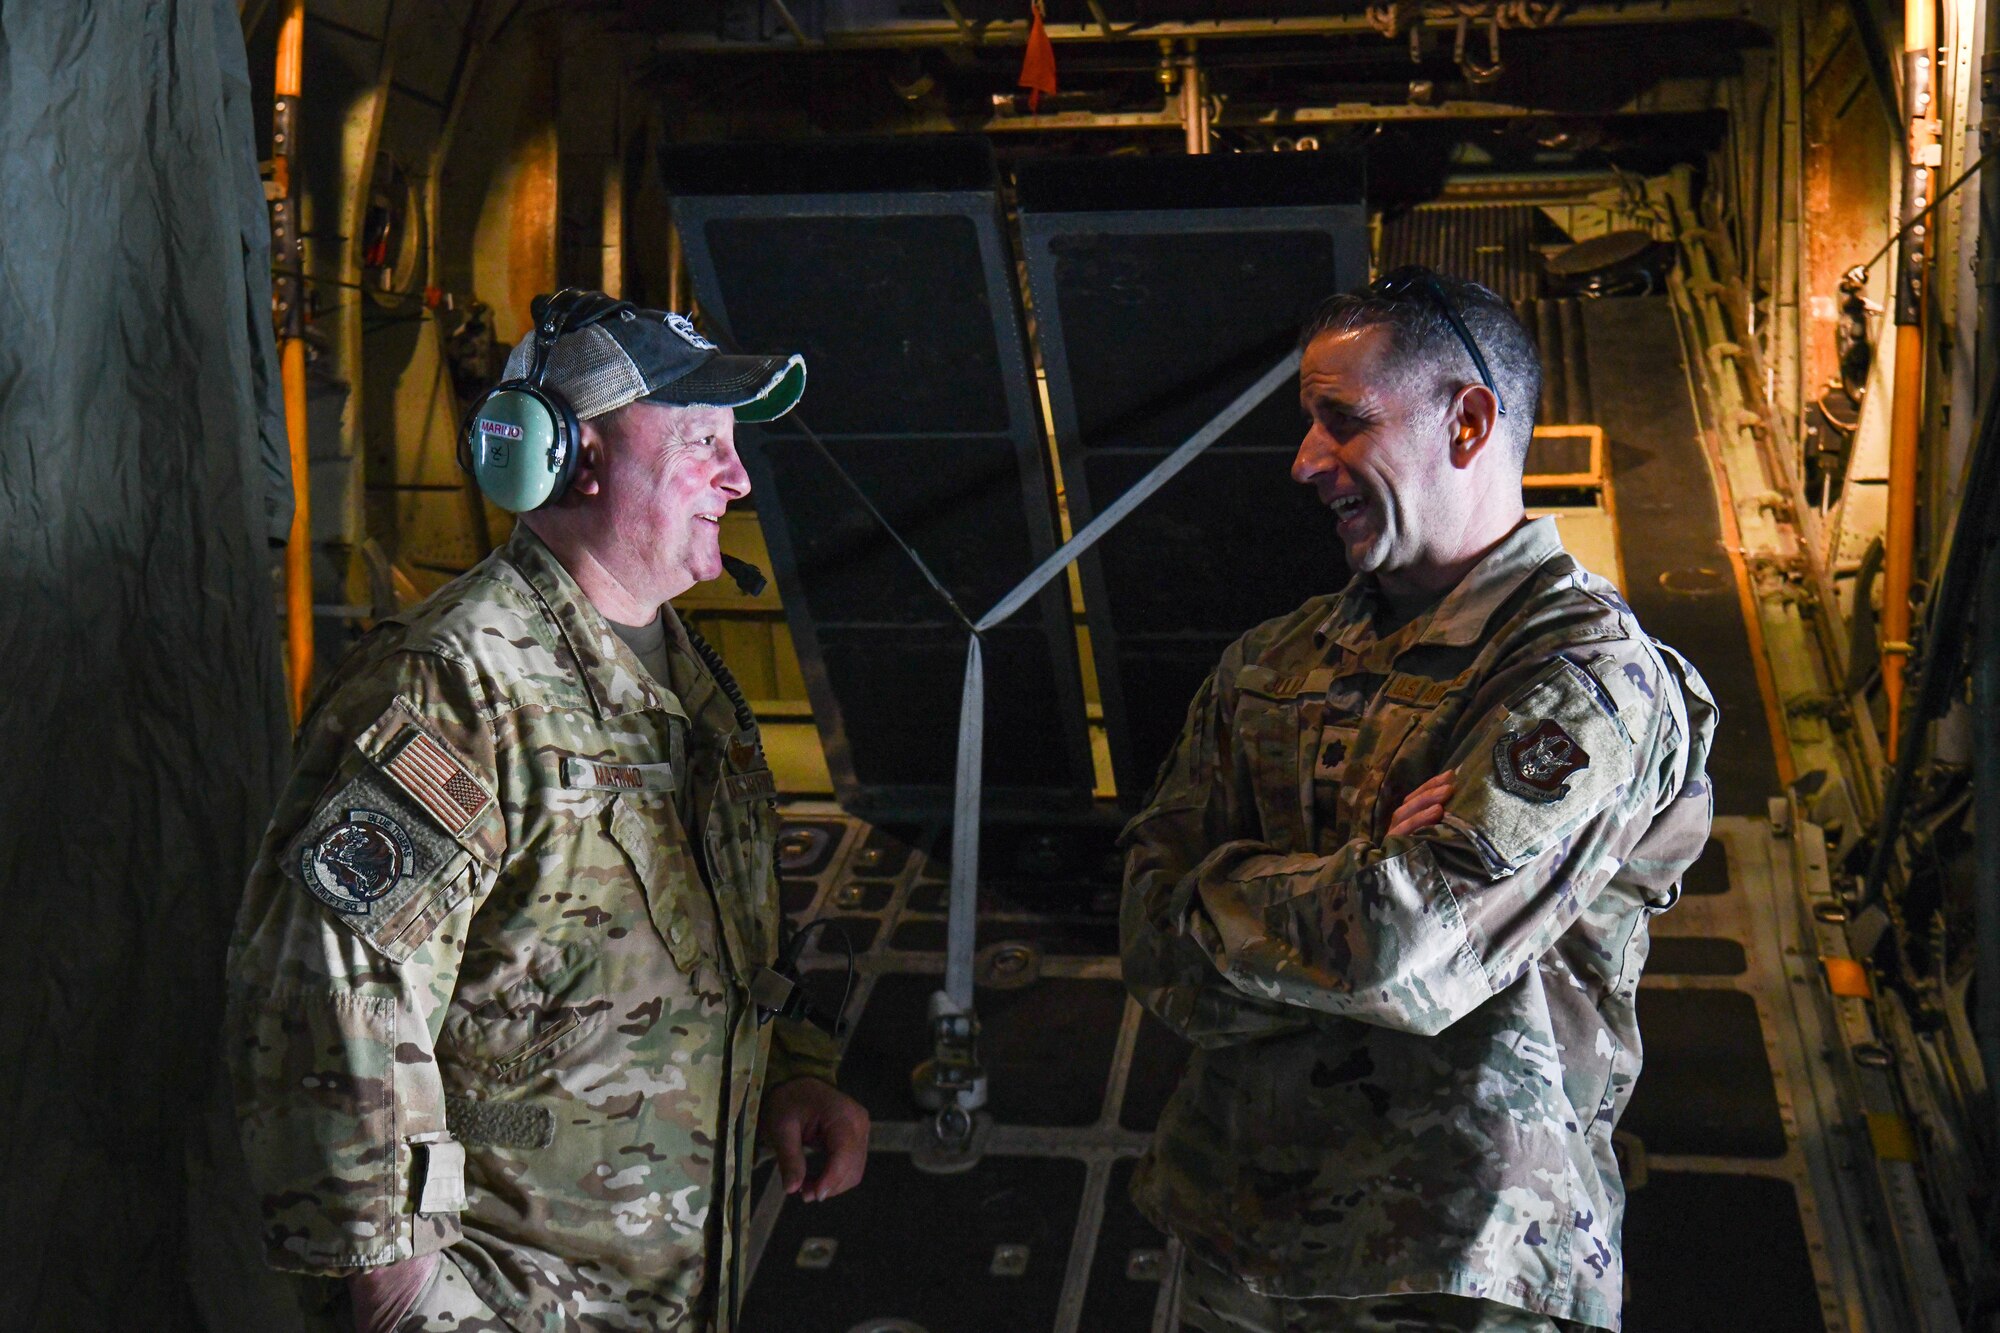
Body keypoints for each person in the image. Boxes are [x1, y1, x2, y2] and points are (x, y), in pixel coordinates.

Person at [225, 295, 870, 1332]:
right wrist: (400, 1298)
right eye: (702, 439)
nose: (738, 476)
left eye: (735, 444)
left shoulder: (688, 685)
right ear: (573, 458)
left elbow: (707, 951)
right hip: (503, 1300)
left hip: (661, 1287)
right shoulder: (454, 687)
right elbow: (332, 998)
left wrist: (788, 1074)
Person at [1119, 268, 1716, 1333]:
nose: (1304, 462)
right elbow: (1145, 940)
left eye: (1340, 422)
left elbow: (1402, 954)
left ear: (1469, 420)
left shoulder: (1584, 681)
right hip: (1235, 1243)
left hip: (1460, 1266)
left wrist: (1230, 895)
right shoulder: (1271, 659)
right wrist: (1352, 884)